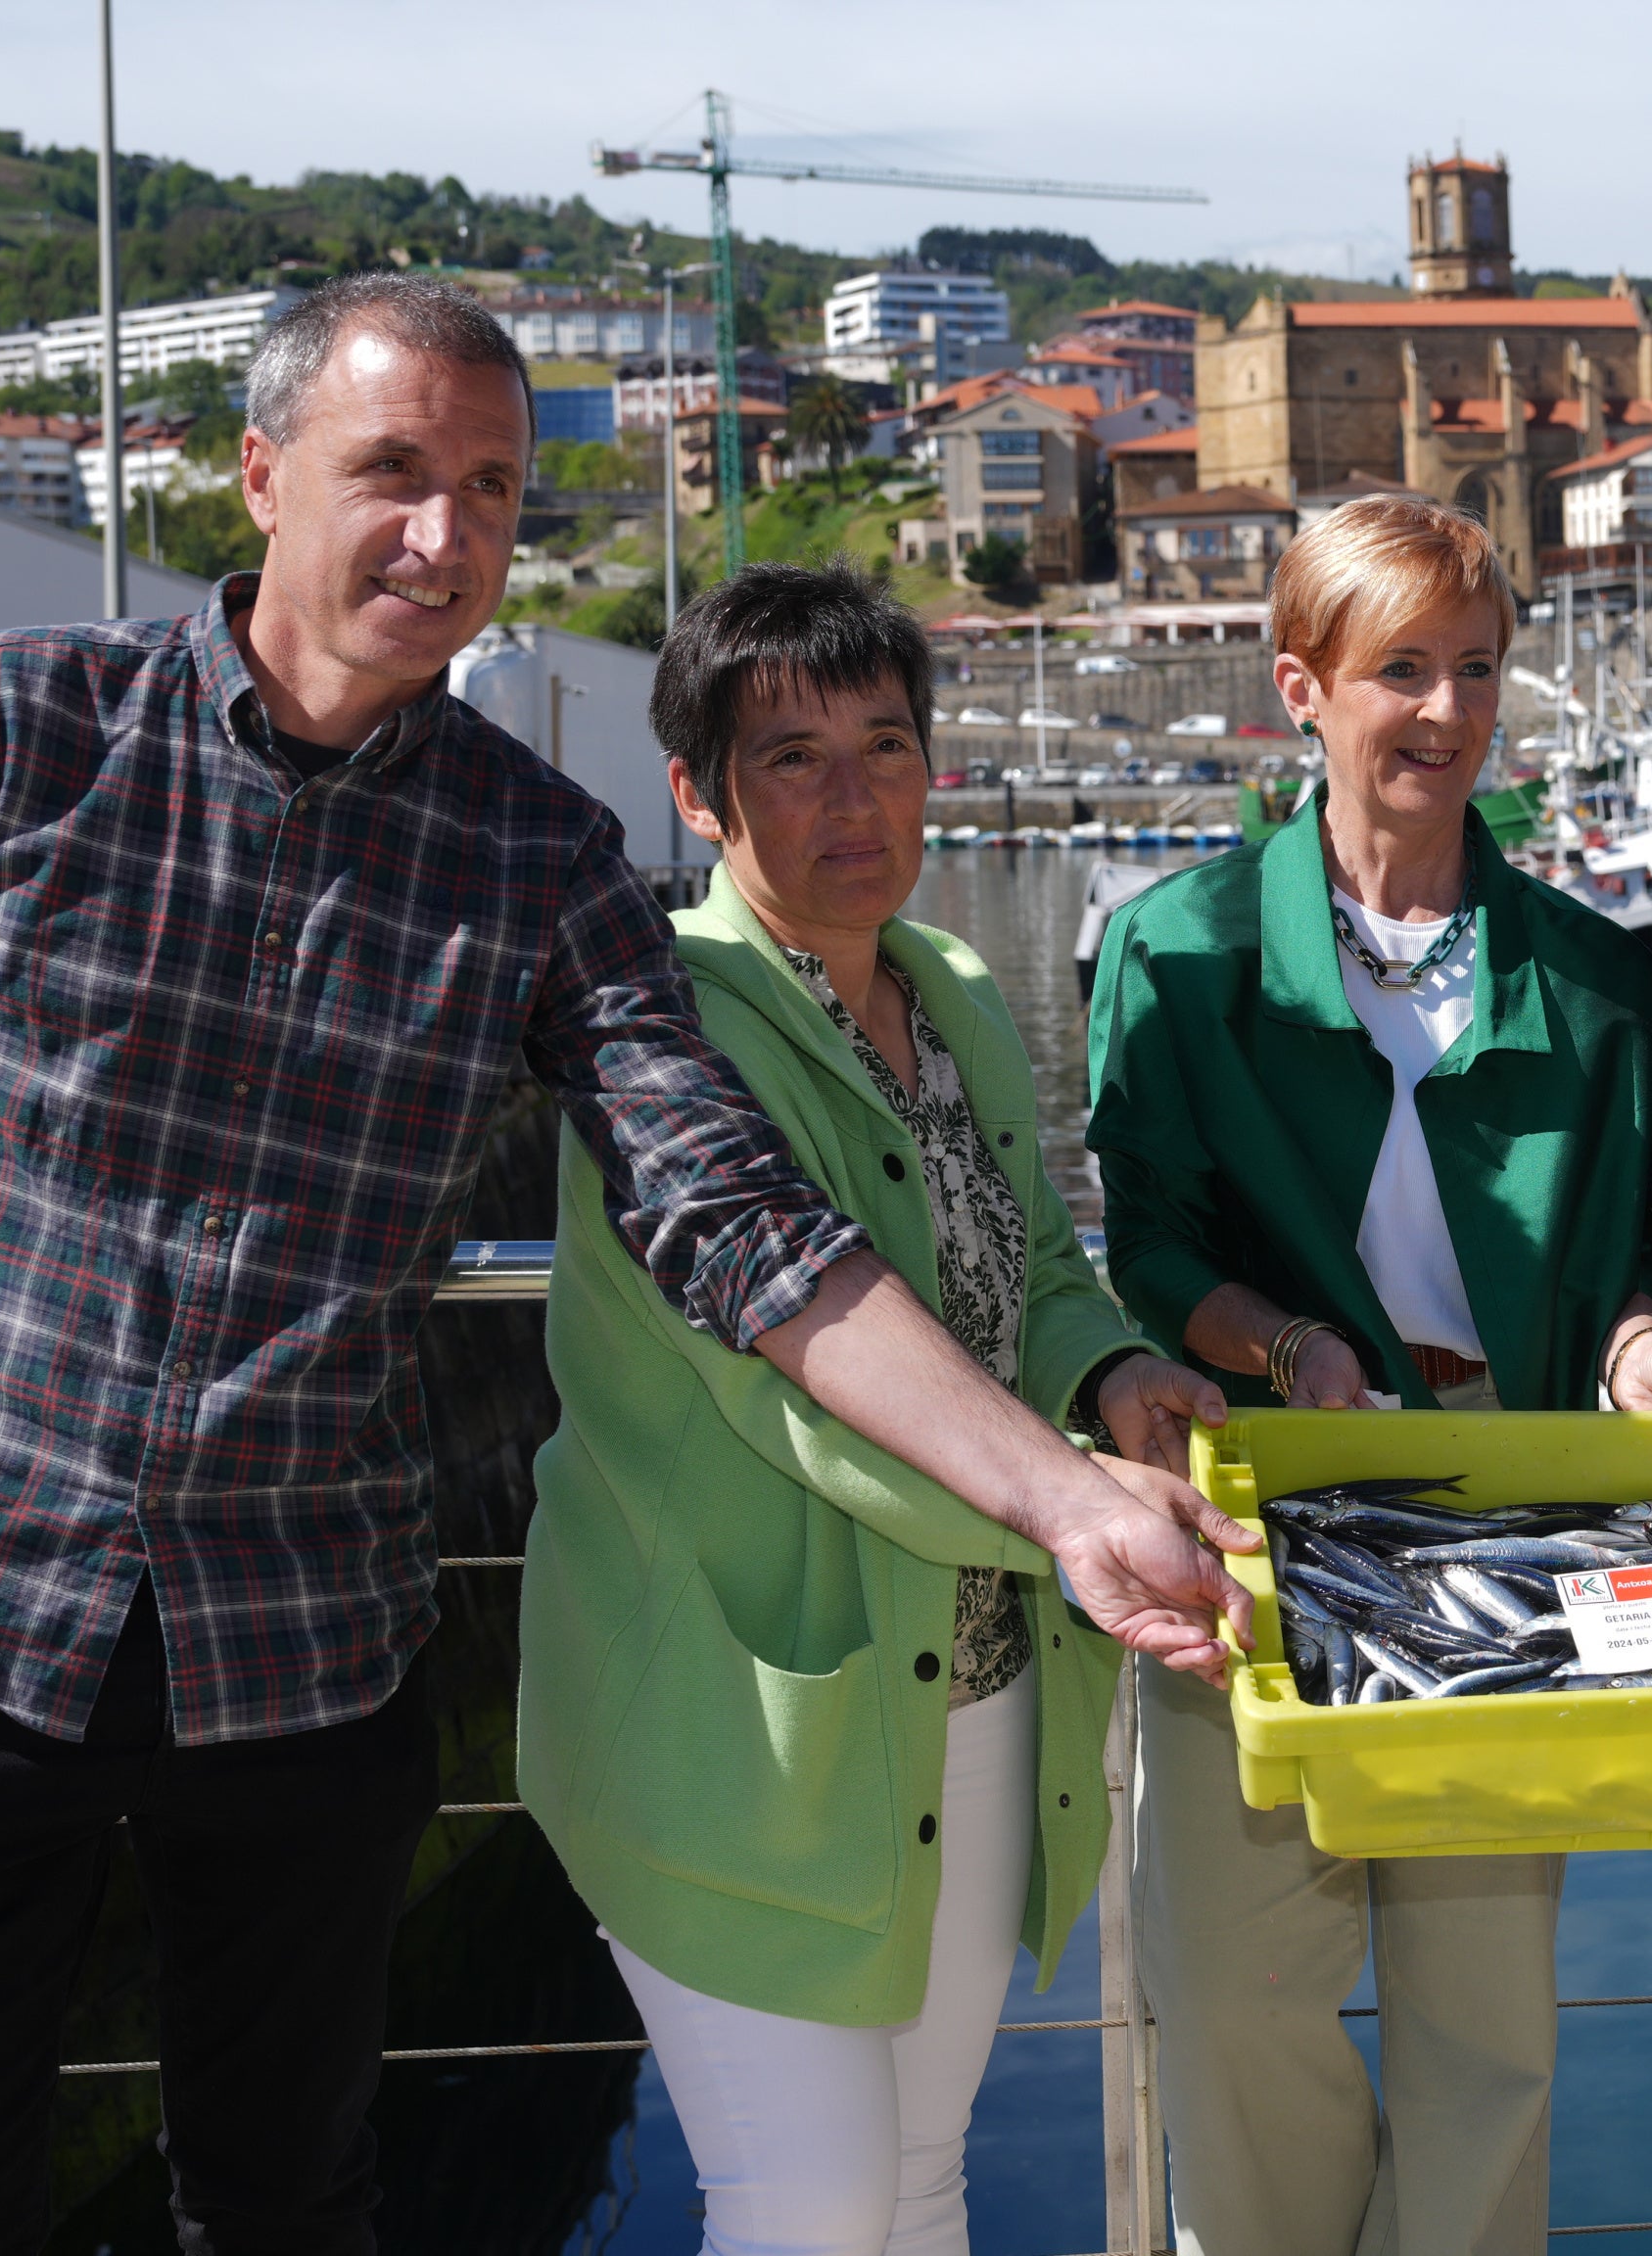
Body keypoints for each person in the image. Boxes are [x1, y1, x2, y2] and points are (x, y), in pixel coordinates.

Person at [0, 275, 1249, 2251]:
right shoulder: (5, 734)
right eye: (393, 471)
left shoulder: (532, 859)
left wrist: (1062, 1501)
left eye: (493, 490)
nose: (446, 533)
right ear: (256, 477)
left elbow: (738, 1226)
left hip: (301, 1662)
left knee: (294, 2207)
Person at [518, 564, 1222, 2256]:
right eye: (792, 758)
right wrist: (1079, 1508)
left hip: (970, 1690)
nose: (856, 798)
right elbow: (808, 1405)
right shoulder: (661, 1024)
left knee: (918, 2176)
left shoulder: (956, 990)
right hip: (744, 1721)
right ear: (696, 793)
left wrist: (1114, 1373)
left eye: (888, 746)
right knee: (813, 2205)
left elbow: (1038, 1264)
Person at [1086, 492, 1652, 2256]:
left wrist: (1642, 1341)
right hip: (1260, 1514)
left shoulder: (1596, 978)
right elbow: (1146, 1246)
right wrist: (1279, 1345)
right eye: (1400, 673)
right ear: (1302, 687)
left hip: (1502, 1522)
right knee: (1231, 1998)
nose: (1446, 714)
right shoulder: (1175, 952)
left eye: (1475, 670)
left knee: (1486, 2027)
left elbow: (1618, 1273)